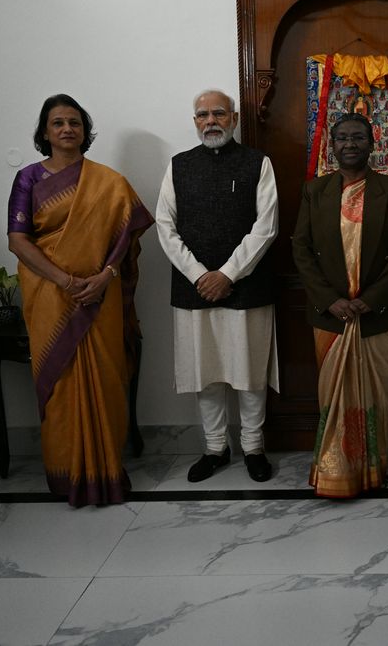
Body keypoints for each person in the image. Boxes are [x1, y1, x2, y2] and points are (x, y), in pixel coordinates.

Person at [7, 93, 153, 507]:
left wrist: (105, 276)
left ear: (85, 130)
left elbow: (126, 238)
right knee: (60, 381)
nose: (67, 129)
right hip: (50, 296)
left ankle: (107, 469)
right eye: (58, 123)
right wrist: (65, 280)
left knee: (106, 377)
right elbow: (18, 241)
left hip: (101, 296)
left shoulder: (110, 182)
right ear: (45, 132)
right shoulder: (28, 179)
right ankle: (66, 473)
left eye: (74, 122)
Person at [292, 113, 388, 498]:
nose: (350, 144)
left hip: (378, 315)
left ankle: (375, 468)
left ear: (372, 143)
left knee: (378, 398)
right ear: (332, 145)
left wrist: (370, 300)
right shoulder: (315, 191)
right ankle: (335, 470)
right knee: (333, 396)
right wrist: (329, 300)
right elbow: (301, 248)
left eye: (358, 137)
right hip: (330, 316)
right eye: (343, 137)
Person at [156, 89, 279, 483]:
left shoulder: (258, 163)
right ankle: (214, 448)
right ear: (195, 121)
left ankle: (254, 448)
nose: (210, 121)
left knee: (250, 373)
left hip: (247, 286)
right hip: (194, 289)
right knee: (205, 373)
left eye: (219, 113)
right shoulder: (179, 166)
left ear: (234, 119)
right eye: (202, 115)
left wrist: (227, 274)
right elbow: (165, 226)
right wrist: (199, 275)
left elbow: (266, 226)